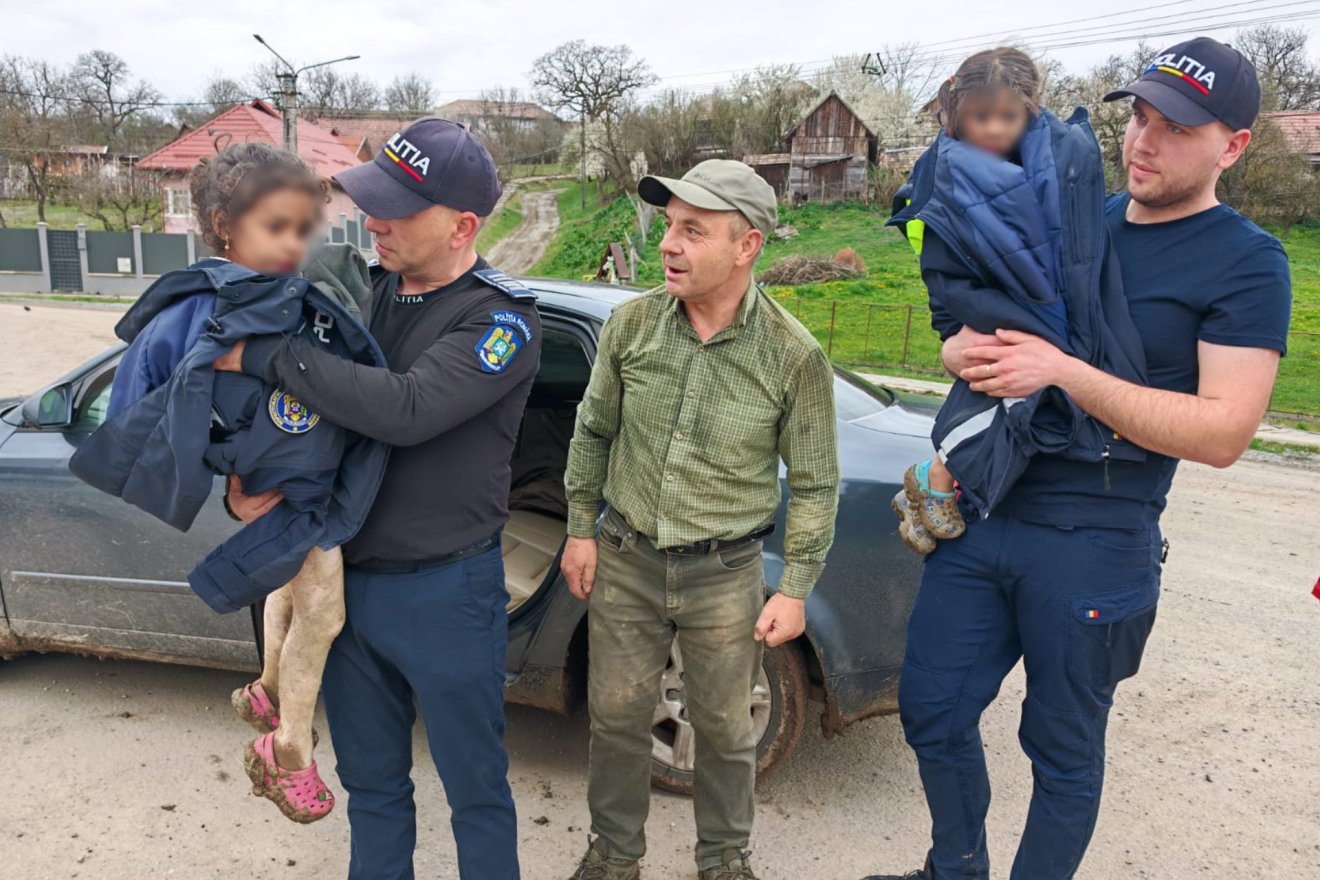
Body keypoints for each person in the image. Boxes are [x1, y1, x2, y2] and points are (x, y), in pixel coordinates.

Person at [866, 37, 1291, 880]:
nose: (1143, 141)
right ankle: (954, 868)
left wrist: (1063, 371)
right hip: (990, 511)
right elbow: (982, 331)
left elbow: (1222, 433)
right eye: (1137, 117)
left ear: (1234, 146)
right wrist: (959, 349)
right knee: (933, 709)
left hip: (1099, 531)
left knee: (1060, 748)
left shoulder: (1247, 263)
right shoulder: (1075, 217)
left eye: (1175, 127)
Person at [217, 118, 541, 880]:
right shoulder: (358, 295)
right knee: (373, 789)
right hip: (346, 587)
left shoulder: (501, 319)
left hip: (445, 592)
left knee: (476, 791)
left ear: (463, 226)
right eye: (372, 199)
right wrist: (245, 483)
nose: (374, 219)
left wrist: (272, 354)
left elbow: (406, 408)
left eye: (398, 206)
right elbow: (289, 420)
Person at [69, 142, 386, 824]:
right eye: (276, 227)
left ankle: (268, 692)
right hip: (291, 490)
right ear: (222, 226)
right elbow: (144, 399)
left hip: (298, 475)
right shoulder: (201, 308)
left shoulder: (285, 292)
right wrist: (225, 468)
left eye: (302, 228)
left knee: (287, 585)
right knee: (323, 611)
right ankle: (288, 752)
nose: (293, 243)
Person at [560, 159, 841, 880]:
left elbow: (814, 482)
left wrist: (797, 586)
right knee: (617, 718)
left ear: (747, 246)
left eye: (694, 230)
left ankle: (723, 861)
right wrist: (581, 527)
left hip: (725, 573)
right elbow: (592, 432)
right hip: (626, 557)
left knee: (723, 728)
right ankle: (614, 855)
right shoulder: (632, 327)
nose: (668, 245)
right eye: (669, 226)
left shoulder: (792, 356)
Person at [886, 46, 1148, 558]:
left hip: (1055, 294)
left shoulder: (1059, 155)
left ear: (1029, 110)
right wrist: (953, 329)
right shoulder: (942, 174)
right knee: (1010, 391)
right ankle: (937, 475)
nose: (992, 129)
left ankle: (931, 480)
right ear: (957, 114)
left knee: (1031, 394)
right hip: (985, 299)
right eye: (979, 117)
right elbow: (940, 256)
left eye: (1006, 116)